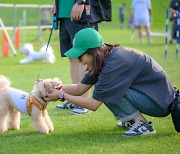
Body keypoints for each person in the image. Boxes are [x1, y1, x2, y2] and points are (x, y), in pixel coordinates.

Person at [45, 28, 177, 136]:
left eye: (80, 56)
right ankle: (131, 120)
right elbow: (80, 88)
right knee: (105, 88)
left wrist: (62, 95)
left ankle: (142, 125)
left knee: (106, 89)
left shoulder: (113, 63)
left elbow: (94, 104)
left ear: (92, 52)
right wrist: (54, 87)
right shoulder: (104, 56)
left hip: (161, 103)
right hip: (155, 97)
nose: (80, 61)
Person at [50, 0, 111, 115]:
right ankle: (75, 99)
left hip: (80, 10)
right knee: (72, 58)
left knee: (84, 56)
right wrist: (56, 3)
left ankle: (84, 101)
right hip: (64, 13)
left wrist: (80, 2)